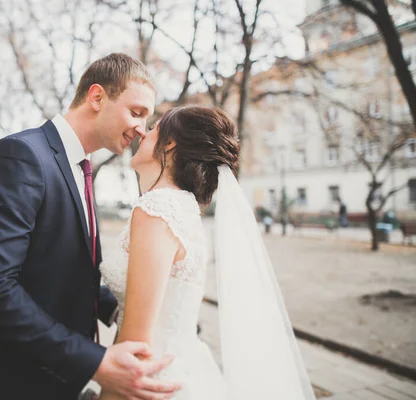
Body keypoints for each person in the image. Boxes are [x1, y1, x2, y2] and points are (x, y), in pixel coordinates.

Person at [0, 53, 181, 400]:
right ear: (97, 97)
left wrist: (120, 307)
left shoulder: (83, 170)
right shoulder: (19, 156)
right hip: (4, 382)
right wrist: (96, 363)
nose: (142, 129)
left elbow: (62, 268)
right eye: (136, 112)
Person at [100, 105, 316, 399]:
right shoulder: (183, 208)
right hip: (182, 367)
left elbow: (136, 343)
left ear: (171, 143)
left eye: (152, 128)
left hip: (151, 381)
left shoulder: (156, 211)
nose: (142, 132)